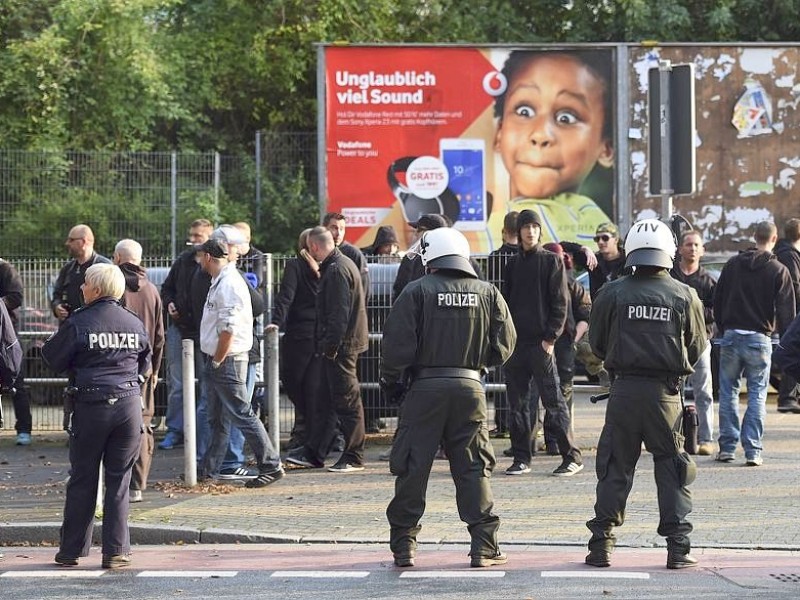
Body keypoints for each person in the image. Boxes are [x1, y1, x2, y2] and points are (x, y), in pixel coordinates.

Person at [381, 227, 517, 568]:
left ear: (430, 258)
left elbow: (396, 346)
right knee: (474, 468)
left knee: (413, 468)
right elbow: (506, 341)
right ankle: (484, 546)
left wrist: (393, 384)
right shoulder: (487, 292)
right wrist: (479, 365)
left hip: (424, 390)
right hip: (470, 389)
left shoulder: (416, 291)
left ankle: (404, 546)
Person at [585, 218, 706, 570]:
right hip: (665, 397)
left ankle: (601, 546)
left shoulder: (612, 292)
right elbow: (697, 347)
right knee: (673, 469)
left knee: (614, 468)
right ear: (669, 251)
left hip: (622, 393)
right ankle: (678, 548)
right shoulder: (685, 295)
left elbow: (597, 343)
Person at [42, 263, 152, 569]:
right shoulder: (133, 322)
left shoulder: (79, 322)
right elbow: (146, 362)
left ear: (97, 289)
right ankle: (116, 551)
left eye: (86, 283)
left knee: (83, 479)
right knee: (119, 481)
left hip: (91, 406)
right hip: (129, 407)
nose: (81, 287)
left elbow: (52, 358)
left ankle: (71, 551)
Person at [493, 50, 614, 244]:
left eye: (566, 118)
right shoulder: (481, 223)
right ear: (499, 133)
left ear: (606, 148)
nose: (540, 135)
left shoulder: (590, 220)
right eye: (524, 111)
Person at [500, 209, 583, 476]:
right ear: (519, 231)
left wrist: (550, 339)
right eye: (526, 227)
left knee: (553, 401)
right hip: (516, 346)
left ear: (539, 231)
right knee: (518, 404)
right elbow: (506, 303)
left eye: (535, 227)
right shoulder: (512, 264)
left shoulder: (552, 262)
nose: (530, 231)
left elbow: (561, 303)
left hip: (542, 344)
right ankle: (522, 457)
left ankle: (571, 456)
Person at [196, 238, 284, 488]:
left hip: (227, 359)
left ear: (209, 258)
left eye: (201, 256)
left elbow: (228, 329)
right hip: (223, 358)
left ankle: (271, 464)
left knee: (240, 413)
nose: (199, 261)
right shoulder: (222, 281)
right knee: (219, 416)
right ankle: (209, 471)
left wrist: (217, 360)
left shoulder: (229, 285)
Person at [285, 226, 369, 472]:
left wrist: (331, 347)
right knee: (327, 400)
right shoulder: (339, 266)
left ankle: (354, 455)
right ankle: (314, 451)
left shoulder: (336, 270)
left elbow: (338, 315)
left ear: (313, 247)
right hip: (338, 346)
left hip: (340, 348)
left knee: (346, 400)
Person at [713, 221, 796, 466]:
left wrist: (722, 325)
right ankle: (753, 451)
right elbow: (786, 313)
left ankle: (727, 448)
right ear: (774, 239)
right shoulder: (779, 270)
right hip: (760, 339)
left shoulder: (731, 265)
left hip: (730, 336)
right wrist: (785, 341)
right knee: (757, 395)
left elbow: (718, 300)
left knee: (728, 393)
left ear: (754, 236)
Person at [113, 239, 165, 503]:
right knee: (142, 426)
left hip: (117, 367)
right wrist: (154, 369)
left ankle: (113, 484)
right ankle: (138, 485)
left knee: (112, 425)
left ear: (117, 258)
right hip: (143, 368)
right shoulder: (153, 291)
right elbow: (159, 335)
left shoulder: (114, 287)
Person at [158, 218, 213, 451]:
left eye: (198, 236)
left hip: (204, 331)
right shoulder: (183, 261)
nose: (192, 239)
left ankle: (201, 431)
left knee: (205, 382)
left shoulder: (213, 263)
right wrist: (169, 303)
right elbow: (167, 288)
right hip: (178, 329)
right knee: (177, 383)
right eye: (191, 234)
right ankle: (175, 430)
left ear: (209, 236)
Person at [267, 229, 321, 449]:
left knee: (294, 384)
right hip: (320, 333)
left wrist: (276, 322)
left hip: (300, 335)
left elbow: (285, 297)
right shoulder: (329, 266)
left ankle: (305, 434)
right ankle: (314, 435)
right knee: (314, 387)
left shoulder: (294, 266)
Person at [539, 242, 591, 453]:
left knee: (562, 392)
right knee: (544, 391)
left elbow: (585, 315)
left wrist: (574, 339)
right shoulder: (537, 284)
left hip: (564, 345)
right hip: (544, 344)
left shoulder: (572, 284)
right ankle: (549, 439)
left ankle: (558, 440)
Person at [669, 230, 717, 455]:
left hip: (701, 342)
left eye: (697, 245)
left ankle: (705, 439)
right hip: (672, 342)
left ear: (703, 250)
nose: (693, 248)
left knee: (704, 392)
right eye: (689, 244)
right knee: (671, 391)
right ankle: (674, 438)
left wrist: (692, 312)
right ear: (680, 249)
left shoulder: (708, 281)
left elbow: (716, 310)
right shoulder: (670, 277)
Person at [485, 211, 519, 438]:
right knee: (523, 381)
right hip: (523, 322)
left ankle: (502, 424)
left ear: (504, 231)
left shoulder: (495, 258)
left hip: (499, 322)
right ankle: (521, 426)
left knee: (500, 375)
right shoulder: (528, 257)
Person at [51, 224, 112, 321]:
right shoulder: (67, 269)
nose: (67, 243)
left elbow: (113, 298)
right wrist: (57, 306)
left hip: (95, 325)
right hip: (70, 327)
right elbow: (56, 294)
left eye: (71, 240)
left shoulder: (105, 267)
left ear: (83, 241)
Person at [0, 258, 30, 445]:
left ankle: (24, 429)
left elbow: (16, 296)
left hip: (6, 334)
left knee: (16, 382)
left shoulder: (5, 269)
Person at [773, 218, 800, 413]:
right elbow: (795, 286)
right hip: (791, 313)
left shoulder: (786, 254)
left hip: (789, 313)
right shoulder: (790, 256)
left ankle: (789, 396)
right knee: (791, 352)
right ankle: (787, 397)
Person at [323, 211, 370, 300]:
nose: (339, 233)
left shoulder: (354, 254)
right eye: (334, 228)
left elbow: (364, 287)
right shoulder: (318, 251)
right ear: (324, 228)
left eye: (342, 229)